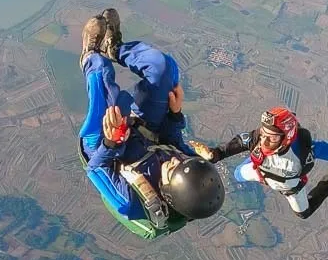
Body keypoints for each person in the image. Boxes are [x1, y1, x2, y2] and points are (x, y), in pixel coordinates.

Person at [78, 13, 224, 237]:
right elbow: (173, 142)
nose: (176, 160)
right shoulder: (190, 168)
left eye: (171, 168)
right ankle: (114, 48)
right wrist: (175, 115)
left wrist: (112, 141)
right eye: (181, 161)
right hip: (148, 133)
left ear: (168, 192)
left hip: (108, 150)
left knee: (107, 90)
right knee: (164, 69)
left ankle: (90, 58)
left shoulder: (130, 200)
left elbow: (96, 168)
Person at [188, 107, 328, 219]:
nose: (265, 141)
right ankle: (256, 170)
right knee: (237, 174)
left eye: (272, 138)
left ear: (287, 137)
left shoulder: (305, 149)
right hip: (260, 173)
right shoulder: (255, 138)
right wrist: (213, 155)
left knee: (304, 213)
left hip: (290, 187)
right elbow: (228, 149)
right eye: (264, 135)